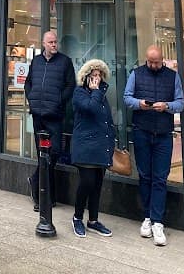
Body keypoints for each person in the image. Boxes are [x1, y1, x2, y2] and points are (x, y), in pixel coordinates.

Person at [124, 45, 184, 246]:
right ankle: (147, 217)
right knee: (145, 176)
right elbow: (127, 98)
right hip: (142, 130)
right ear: (146, 59)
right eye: (150, 62)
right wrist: (139, 103)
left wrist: (166, 106)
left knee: (160, 177)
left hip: (163, 134)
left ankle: (157, 221)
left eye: (156, 62)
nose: (153, 65)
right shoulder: (137, 74)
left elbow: (180, 103)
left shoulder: (172, 76)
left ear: (162, 60)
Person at [24, 31, 76, 210]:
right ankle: (44, 198)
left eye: (56, 42)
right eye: (51, 42)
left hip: (54, 116)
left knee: (54, 153)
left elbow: (71, 86)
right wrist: (31, 97)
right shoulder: (36, 61)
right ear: (44, 44)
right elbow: (28, 82)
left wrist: (59, 100)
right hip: (38, 115)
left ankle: (35, 181)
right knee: (42, 156)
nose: (54, 45)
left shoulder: (65, 62)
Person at [70, 59, 115, 238]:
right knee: (87, 182)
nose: (97, 79)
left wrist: (111, 143)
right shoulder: (79, 93)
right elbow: (91, 108)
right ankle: (77, 217)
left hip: (101, 146)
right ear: (86, 77)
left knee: (97, 185)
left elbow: (106, 120)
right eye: (94, 75)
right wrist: (96, 92)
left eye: (99, 75)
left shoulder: (102, 95)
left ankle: (93, 220)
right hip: (85, 146)